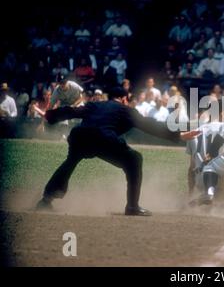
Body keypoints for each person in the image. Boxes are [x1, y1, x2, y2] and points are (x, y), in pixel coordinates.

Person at [35, 87, 198, 216]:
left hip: (80, 136)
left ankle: (46, 200)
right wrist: (178, 135)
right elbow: (149, 125)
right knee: (134, 159)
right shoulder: (125, 110)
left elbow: (72, 111)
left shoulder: (95, 104)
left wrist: (50, 116)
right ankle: (132, 206)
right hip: (103, 137)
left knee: (70, 162)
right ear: (124, 99)